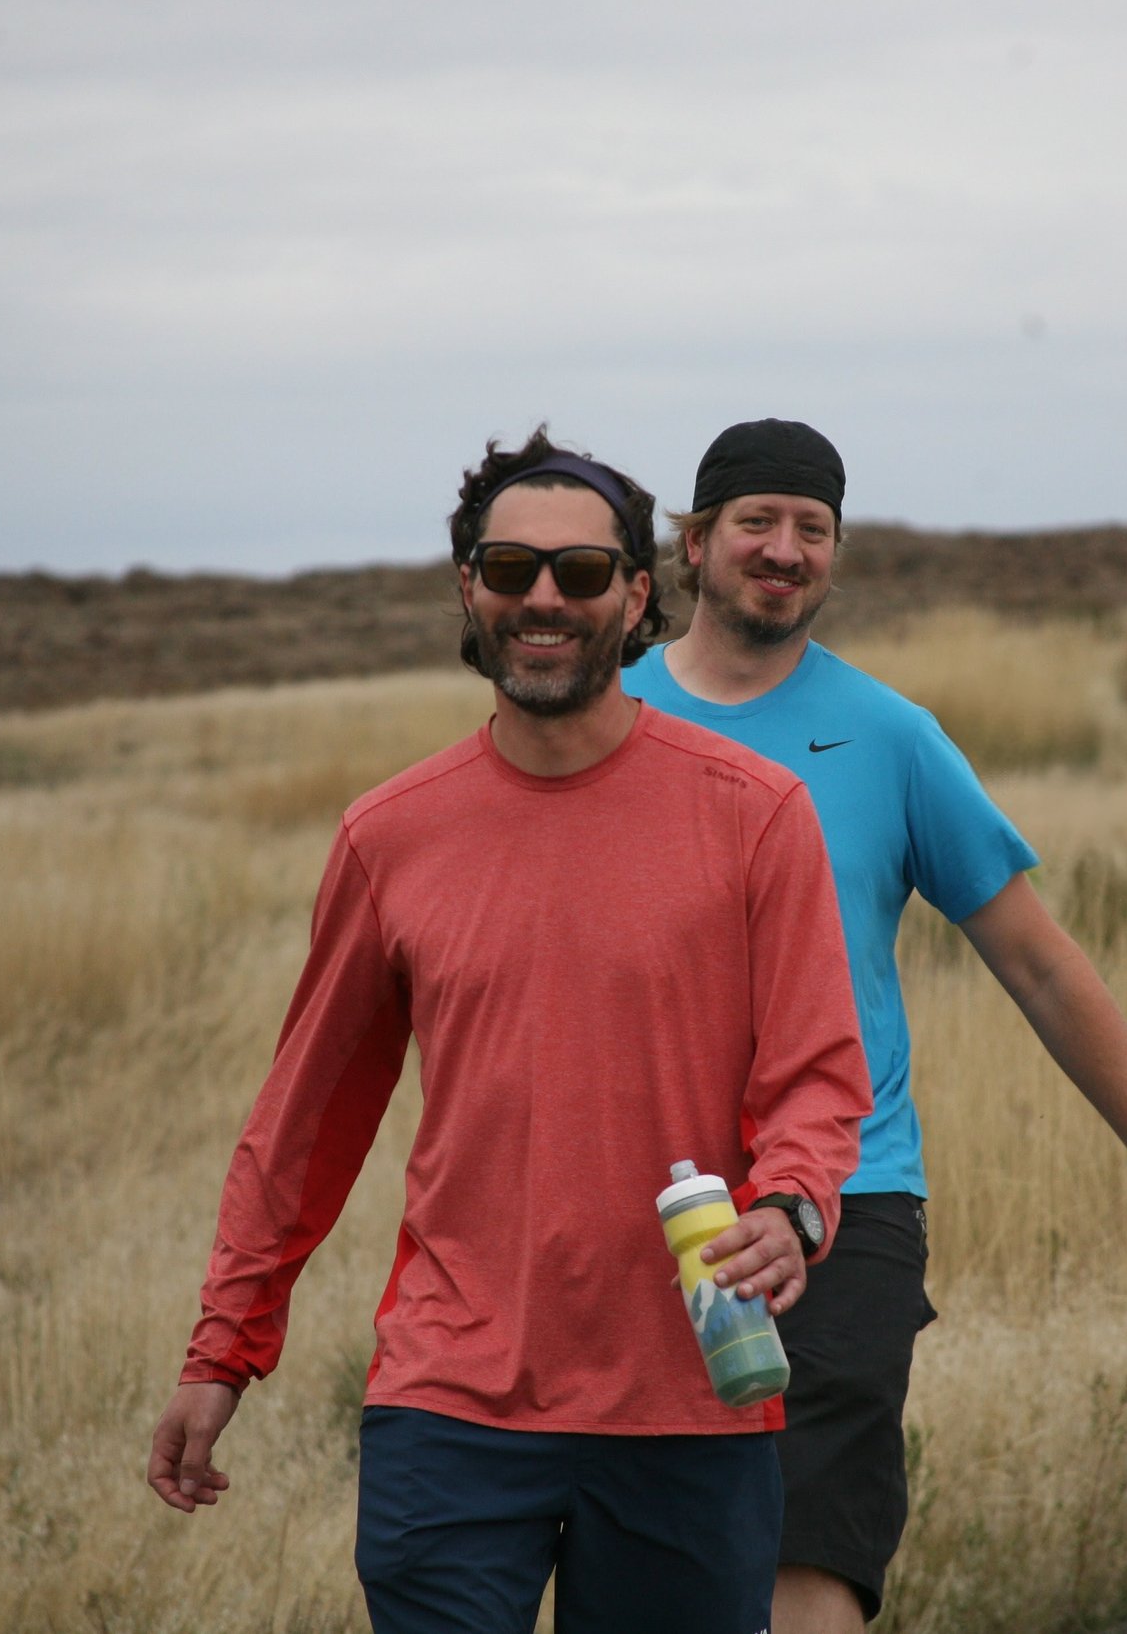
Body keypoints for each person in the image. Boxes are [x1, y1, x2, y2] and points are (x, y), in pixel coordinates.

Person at [144, 428, 874, 1634]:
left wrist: (791, 1205)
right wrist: (221, 1352)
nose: (544, 598)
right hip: (451, 1402)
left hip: (691, 1394)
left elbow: (815, 1073)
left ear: (639, 595)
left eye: (582, 573)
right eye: (509, 567)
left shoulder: (753, 815)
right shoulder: (393, 834)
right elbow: (304, 1121)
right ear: (467, 589)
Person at [625, 419, 1127, 1632]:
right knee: (655, 1564)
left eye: (813, 529)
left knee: (807, 1560)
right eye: (756, 521)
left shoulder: (891, 736)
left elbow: (1039, 963)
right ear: (693, 544)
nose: (785, 550)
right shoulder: (606, 717)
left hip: (849, 1205)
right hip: (637, 1198)